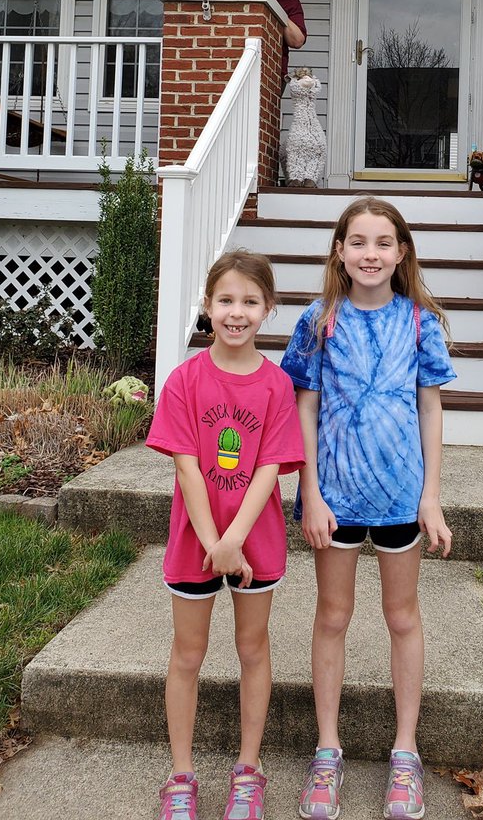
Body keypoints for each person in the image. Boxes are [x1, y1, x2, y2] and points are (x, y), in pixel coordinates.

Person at [280, 197, 456, 820]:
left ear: (402, 252)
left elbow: (431, 407)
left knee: (402, 617)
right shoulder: (319, 320)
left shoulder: (419, 323)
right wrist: (310, 492)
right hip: (336, 497)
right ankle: (327, 749)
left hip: (401, 496)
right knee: (333, 615)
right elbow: (302, 408)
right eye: (358, 241)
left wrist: (430, 496)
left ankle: (404, 752)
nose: (371, 253)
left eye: (384, 242)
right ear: (339, 251)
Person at [147, 250, 305, 820]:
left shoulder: (276, 386)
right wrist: (215, 542)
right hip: (196, 540)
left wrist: (235, 540)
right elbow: (187, 466)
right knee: (188, 653)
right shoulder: (185, 381)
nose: (236, 313)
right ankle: (181, 774)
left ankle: (248, 770)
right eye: (226, 300)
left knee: (252, 648)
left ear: (267, 309)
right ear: (207, 306)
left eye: (249, 302)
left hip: (253, 541)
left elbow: (271, 468)